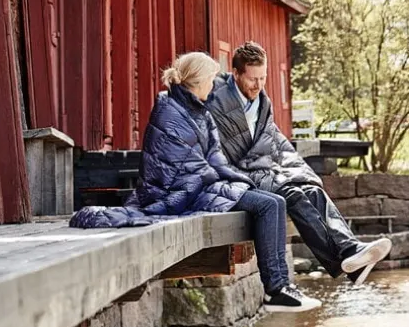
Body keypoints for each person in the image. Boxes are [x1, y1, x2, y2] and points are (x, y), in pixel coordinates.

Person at [71, 52, 321, 313]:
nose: (214, 86)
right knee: (267, 206)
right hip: (178, 191)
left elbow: (215, 158)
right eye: (211, 80)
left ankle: (281, 287)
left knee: (276, 201)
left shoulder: (200, 110)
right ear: (199, 81)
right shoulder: (168, 110)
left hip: (200, 184)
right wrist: (226, 181)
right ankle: (275, 289)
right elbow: (184, 167)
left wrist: (241, 179)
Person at [206, 41, 392, 285]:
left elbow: (276, 142)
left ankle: (350, 251)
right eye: (253, 79)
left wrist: (302, 172)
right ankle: (347, 260)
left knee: (312, 190)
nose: (259, 85)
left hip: (266, 169)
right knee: (292, 195)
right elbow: (222, 152)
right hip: (240, 177)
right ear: (236, 73)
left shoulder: (263, 101)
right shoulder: (216, 100)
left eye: (263, 78)